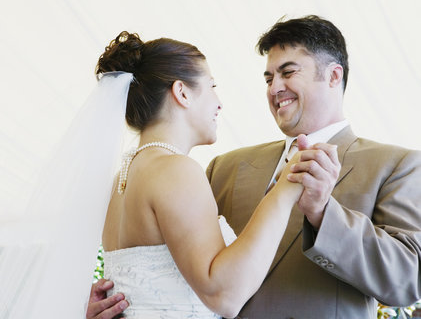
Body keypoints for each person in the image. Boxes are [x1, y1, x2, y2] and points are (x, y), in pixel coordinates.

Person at [86, 16, 421, 318]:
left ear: (334, 76)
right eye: (268, 77)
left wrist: (323, 215)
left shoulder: (396, 165)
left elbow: (407, 282)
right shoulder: (223, 167)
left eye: (288, 72)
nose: (274, 88)